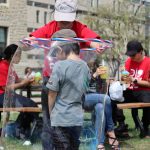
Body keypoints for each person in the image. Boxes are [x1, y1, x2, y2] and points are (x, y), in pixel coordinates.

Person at [27, 0, 103, 149]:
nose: (63, 23)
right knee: (49, 122)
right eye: (61, 20)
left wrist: (97, 46)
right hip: (51, 79)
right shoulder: (49, 27)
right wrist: (28, 42)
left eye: (67, 20)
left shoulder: (80, 28)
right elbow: (31, 40)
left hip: (73, 83)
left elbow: (94, 41)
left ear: (74, 17)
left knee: (73, 119)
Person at [46, 29, 90, 150]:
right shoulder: (85, 66)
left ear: (60, 49)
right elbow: (84, 90)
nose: (55, 56)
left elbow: (51, 94)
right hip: (77, 118)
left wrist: (51, 113)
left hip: (60, 118)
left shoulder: (59, 65)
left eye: (55, 52)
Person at [0, 44, 39, 139]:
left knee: (31, 105)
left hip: (7, 95)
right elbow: (6, 88)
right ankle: (18, 131)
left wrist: (29, 79)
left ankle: (17, 130)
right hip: (2, 96)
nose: (20, 57)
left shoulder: (9, 66)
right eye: (19, 55)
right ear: (12, 55)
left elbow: (17, 80)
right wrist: (23, 83)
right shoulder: (2, 66)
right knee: (31, 105)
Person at [117, 40, 150, 138]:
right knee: (115, 96)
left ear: (141, 52)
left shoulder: (148, 62)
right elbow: (125, 82)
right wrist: (122, 79)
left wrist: (134, 80)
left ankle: (145, 127)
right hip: (131, 91)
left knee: (147, 99)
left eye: (133, 55)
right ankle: (122, 125)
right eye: (130, 55)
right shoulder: (128, 62)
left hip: (144, 91)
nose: (131, 57)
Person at [83, 65, 120, 150]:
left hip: (96, 100)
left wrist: (105, 81)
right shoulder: (81, 67)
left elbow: (102, 93)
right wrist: (94, 75)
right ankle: (111, 131)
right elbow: (81, 87)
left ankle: (99, 142)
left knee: (100, 107)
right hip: (83, 98)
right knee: (106, 98)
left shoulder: (100, 71)